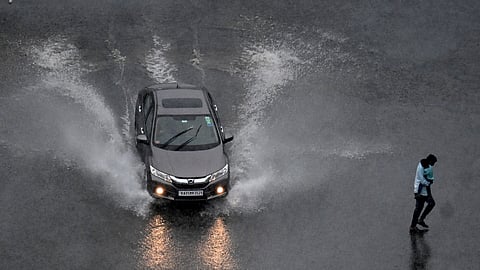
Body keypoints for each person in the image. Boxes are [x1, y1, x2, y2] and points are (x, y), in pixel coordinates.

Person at [410, 154, 437, 233]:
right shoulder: (425, 168)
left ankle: (416, 223)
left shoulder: (422, 165)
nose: (434, 164)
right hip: (420, 192)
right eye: (433, 163)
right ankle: (415, 224)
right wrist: (429, 195)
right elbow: (425, 182)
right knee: (421, 208)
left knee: (420, 208)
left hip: (420, 191)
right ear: (430, 161)